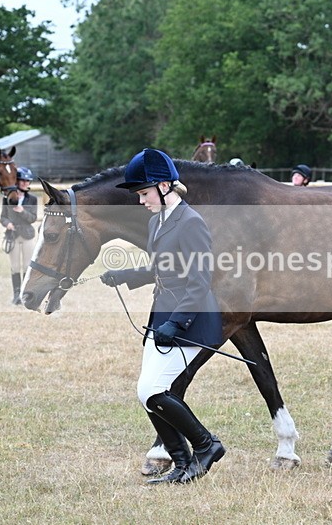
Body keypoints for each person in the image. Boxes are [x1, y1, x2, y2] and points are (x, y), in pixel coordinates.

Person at [99, 148, 225, 485]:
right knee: (147, 391)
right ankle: (182, 462)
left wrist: (178, 323)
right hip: (162, 318)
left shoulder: (192, 223)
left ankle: (206, 446)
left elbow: (200, 281)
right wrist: (128, 274)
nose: (141, 201)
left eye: (143, 193)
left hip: (190, 322)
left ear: (165, 186)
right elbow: (162, 267)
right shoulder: (158, 220)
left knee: (154, 389)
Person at [0, 167, 38, 304]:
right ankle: (16, 294)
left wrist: (22, 211)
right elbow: (2, 217)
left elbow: (33, 218)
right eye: (22, 181)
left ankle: (25, 293)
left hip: (27, 235)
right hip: (13, 235)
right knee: (15, 266)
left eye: (27, 181)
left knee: (28, 266)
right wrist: (7, 223)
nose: (25, 183)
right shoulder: (7, 198)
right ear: (17, 181)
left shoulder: (32, 199)